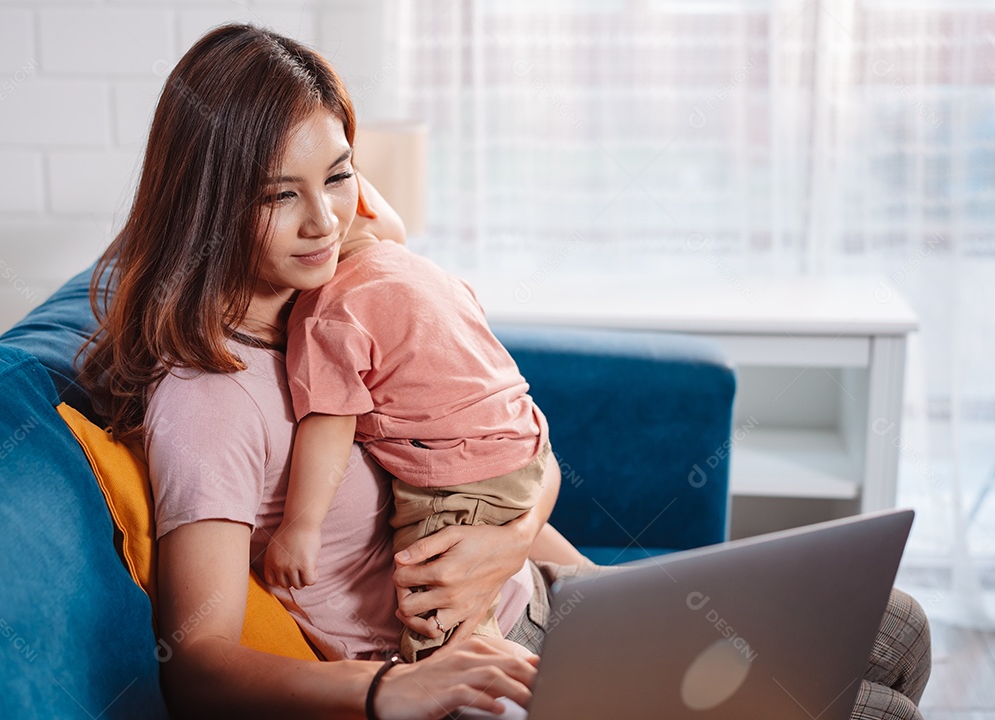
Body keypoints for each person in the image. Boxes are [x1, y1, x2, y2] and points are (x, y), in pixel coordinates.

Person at [77, 22, 931, 720]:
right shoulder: (210, 398)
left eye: (338, 177)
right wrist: (387, 688)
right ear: (210, 199)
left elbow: (496, 454)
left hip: (549, 594)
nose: (324, 220)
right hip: (493, 664)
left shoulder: (337, 293)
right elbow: (197, 664)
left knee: (900, 628)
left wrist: (568, 568)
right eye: (277, 195)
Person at [262, 170, 571, 662]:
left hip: (460, 480)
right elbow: (391, 223)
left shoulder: (327, 311)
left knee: (440, 628)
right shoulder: (420, 270)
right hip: (529, 444)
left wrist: (301, 527)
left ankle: (489, 689)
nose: (322, 221)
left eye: (338, 179)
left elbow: (331, 421)